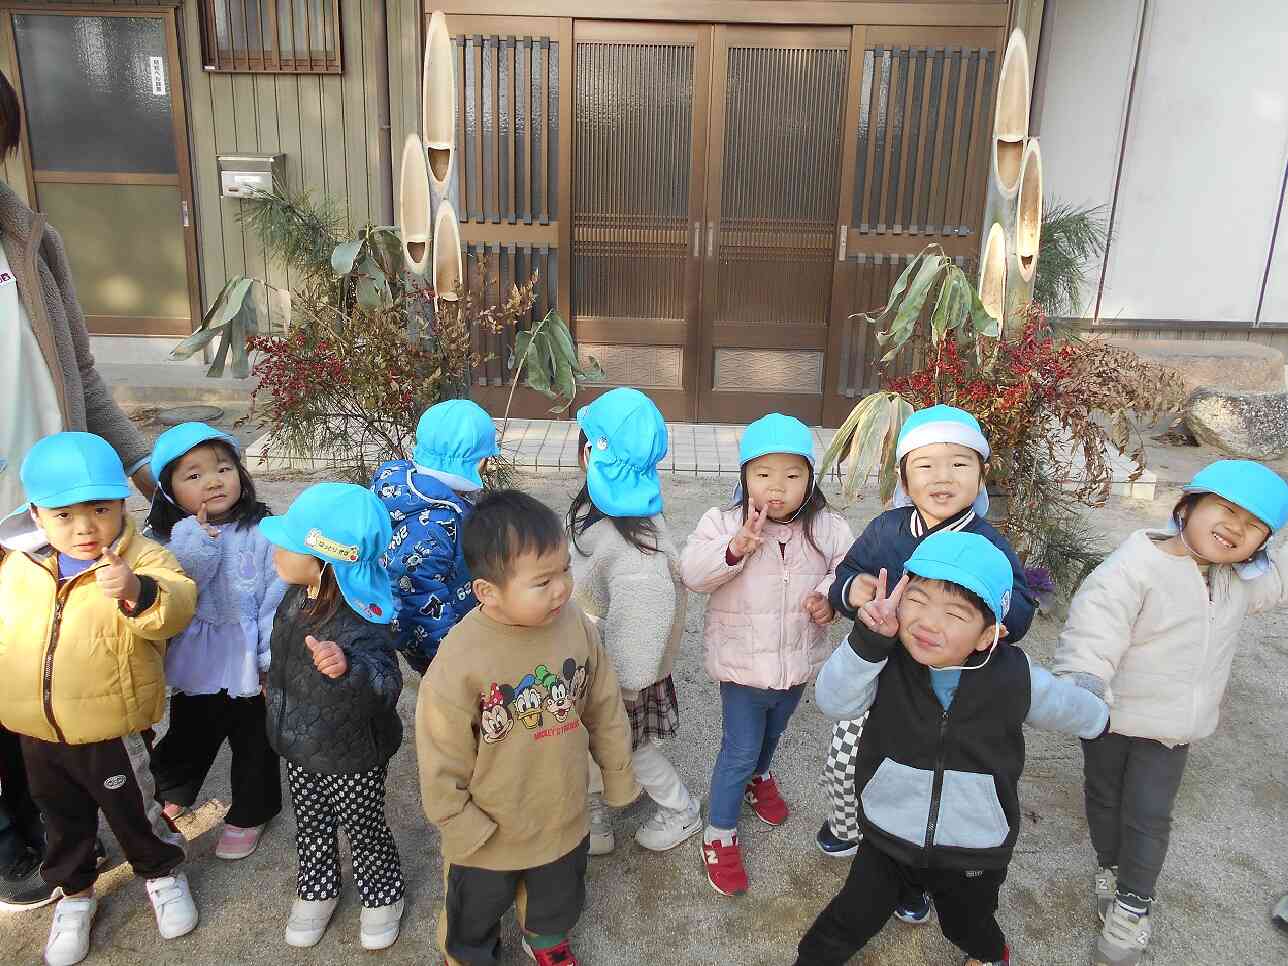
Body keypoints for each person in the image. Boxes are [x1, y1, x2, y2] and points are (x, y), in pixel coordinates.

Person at [796, 531, 1108, 966]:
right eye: (917, 601)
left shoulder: (1015, 678)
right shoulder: (883, 659)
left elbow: (1065, 705)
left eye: (955, 613)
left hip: (973, 844)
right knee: (850, 917)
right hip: (889, 829)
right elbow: (834, 701)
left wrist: (1102, 720)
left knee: (967, 923)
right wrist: (868, 642)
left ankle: (990, 954)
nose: (928, 623)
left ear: (988, 636)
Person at [0, 68, 158, 911]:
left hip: (58, 505)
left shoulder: (29, 240)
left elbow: (84, 377)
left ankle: (82, 817)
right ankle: (13, 833)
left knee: (68, 663)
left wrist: (144, 471)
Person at [1053, 459, 1288, 966]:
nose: (1234, 528)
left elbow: (1279, 581)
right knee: (1103, 797)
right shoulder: (1132, 569)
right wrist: (1085, 685)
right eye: (1225, 510)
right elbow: (1094, 631)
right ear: (1187, 506)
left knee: (1149, 815)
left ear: (1261, 545)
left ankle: (1133, 905)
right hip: (1110, 719)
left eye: (1253, 526)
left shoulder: (1237, 579)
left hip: (1171, 731)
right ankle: (1109, 867)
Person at [818, 404, 1035, 928]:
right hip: (879, 676)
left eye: (960, 465)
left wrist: (997, 620)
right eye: (926, 465)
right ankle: (850, 827)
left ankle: (912, 878)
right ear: (903, 476)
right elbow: (843, 574)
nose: (942, 477)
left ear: (982, 473)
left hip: (943, 693)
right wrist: (856, 590)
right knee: (846, 762)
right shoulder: (888, 530)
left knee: (926, 779)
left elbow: (1021, 605)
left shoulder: (988, 542)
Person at [0, 432, 198, 966]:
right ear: (36, 514)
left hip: (112, 723)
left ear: (121, 504)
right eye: (64, 515)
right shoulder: (16, 564)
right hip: (36, 729)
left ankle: (161, 872)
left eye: (101, 508)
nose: (86, 527)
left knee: (134, 807)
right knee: (58, 817)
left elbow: (177, 605)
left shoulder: (143, 557)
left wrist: (137, 590)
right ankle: (75, 893)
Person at [418, 489, 638, 966]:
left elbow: (603, 701)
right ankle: (471, 953)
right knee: (473, 910)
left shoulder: (574, 623)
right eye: (543, 581)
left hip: (560, 809)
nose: (562, 588)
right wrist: (460, 824)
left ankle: (546, 938)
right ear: (488, 593)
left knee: (557, 893)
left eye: (563, 570)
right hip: (488, 828)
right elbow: (440, 753)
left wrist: (618, 773)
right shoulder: (460, 659)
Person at [679, 412, 853, 896]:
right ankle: (719, 832)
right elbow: (692, 572)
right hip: (741, 665)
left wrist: (829, 597)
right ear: (743, 477)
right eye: (763, 474)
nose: (777, 486)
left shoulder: (826, 527)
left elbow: (851, 566)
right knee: (737, 750)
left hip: (795, 661)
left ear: (811, 481)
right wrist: (734, 549)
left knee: (773, 733)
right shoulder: (721, 521)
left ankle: (761, 775)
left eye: (793, 475)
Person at [259, 483, 406, 951]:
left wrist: (349, 669)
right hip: (301, 740)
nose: (278, 549)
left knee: (363, 825)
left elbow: (386, 682)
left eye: (291, 543)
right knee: (312, 822)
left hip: (354, 751)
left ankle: (382, 892)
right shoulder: (296, 595)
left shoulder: (363, 616)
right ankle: (317, 886)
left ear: (325, 560)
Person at [144, 422, 286, 859]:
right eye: (193, 475)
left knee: (253, 739)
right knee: (191, 727)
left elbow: (273, 599)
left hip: (246, 655)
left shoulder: (266, 532)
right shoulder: (164, 542)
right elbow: (179, 590)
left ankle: (251, 810)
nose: (213, 481)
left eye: (224, 468)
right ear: (168, 493)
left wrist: (268, 658)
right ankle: (173, 788)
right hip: (199, 657)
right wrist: (193, 538)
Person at [568, 388, 699, 854]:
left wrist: (620, 689)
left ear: (591, 453)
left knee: (633, 752)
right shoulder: (613, 516)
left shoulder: (635, 553)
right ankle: (596, 811)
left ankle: (681, 810)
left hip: (622, 677)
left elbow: (644, 619)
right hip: (604, 665)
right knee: (591, 747)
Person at [372, 399, 499, 674]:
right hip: (438, 638)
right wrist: (452, 654)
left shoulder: (402, 490)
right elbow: (418, 593)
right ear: (479, 463)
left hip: (410, 622)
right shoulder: (437, 523)